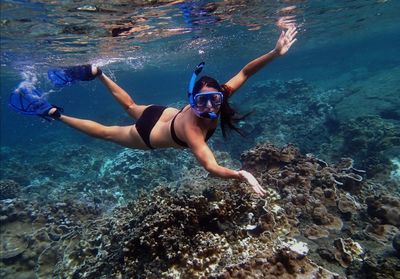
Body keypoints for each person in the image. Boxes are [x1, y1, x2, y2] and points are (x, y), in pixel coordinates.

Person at [10, 27, 297, 196]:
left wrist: (275, 52)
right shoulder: (193, 130)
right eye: (201, 102)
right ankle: (52, 113)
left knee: (132, 106)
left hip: (161, 113)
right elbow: (210, 166)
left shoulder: (219, 94)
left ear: (221, 94)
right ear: (192, 98)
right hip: (150, 132)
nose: (208, 108)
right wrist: (240, 174)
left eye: (213, 100)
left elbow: (246, 71)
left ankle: (97, 73)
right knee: (108, 134)